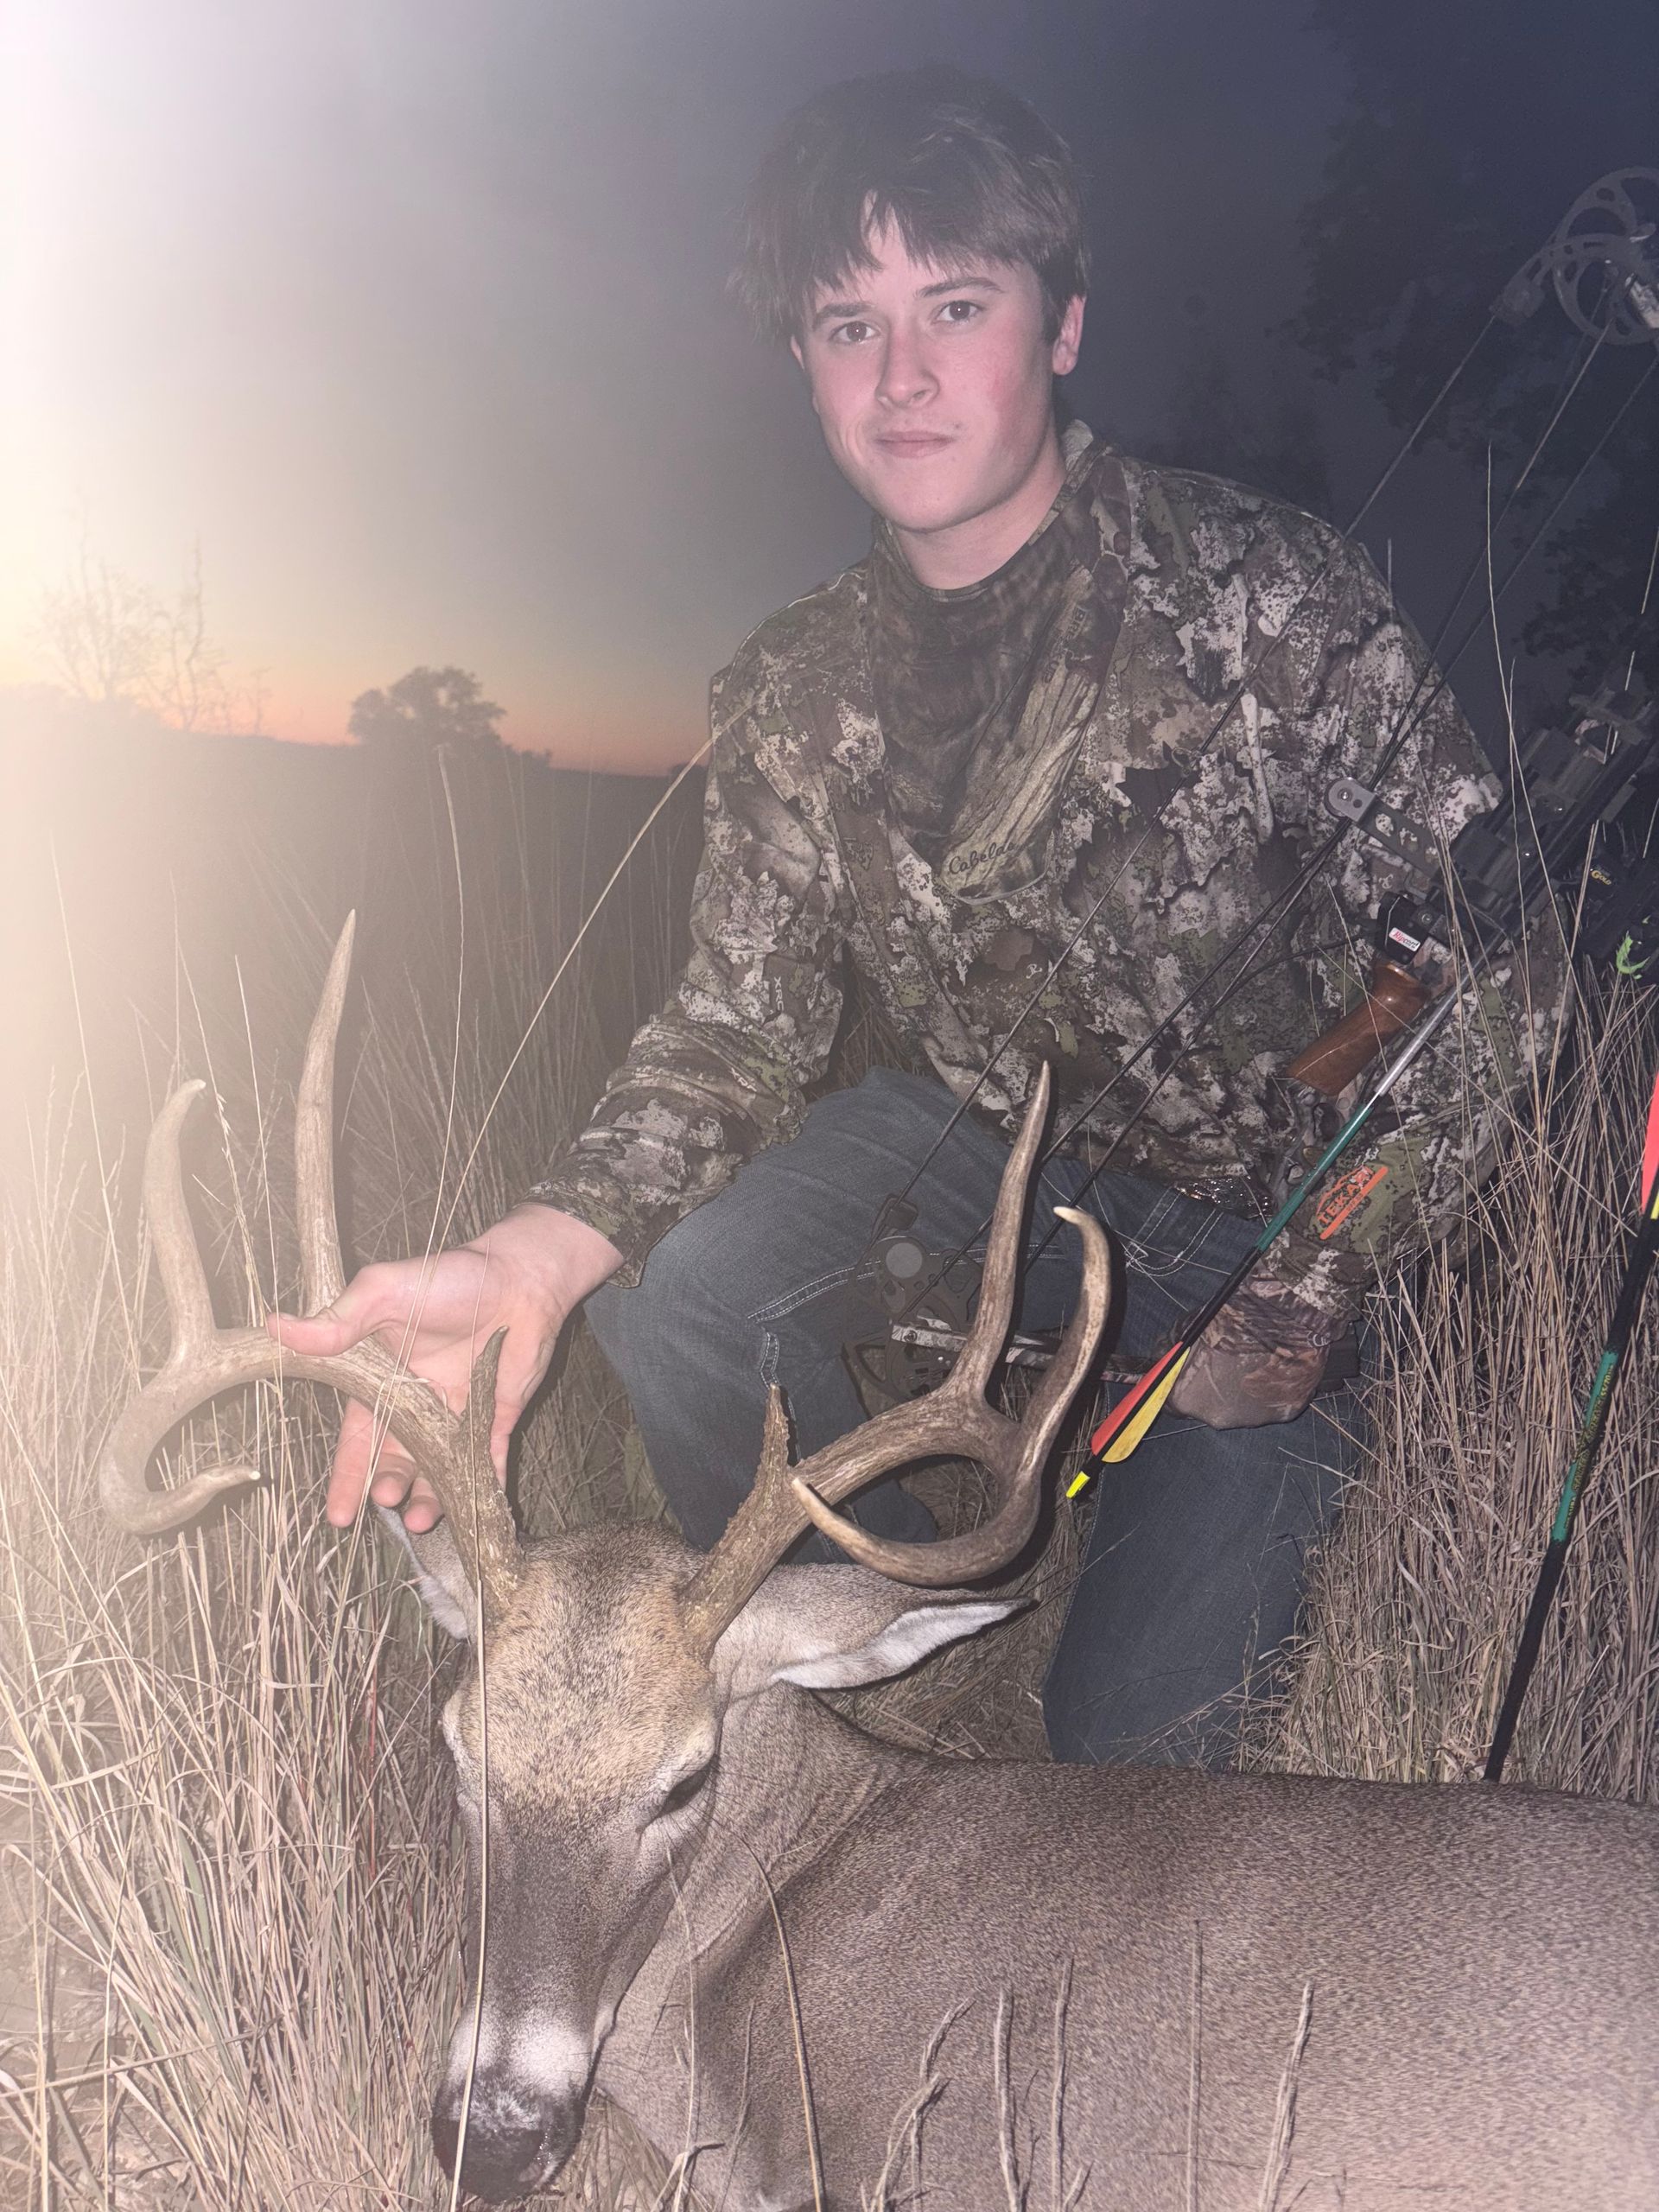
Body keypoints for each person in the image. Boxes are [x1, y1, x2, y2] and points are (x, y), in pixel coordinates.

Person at [273, 66, 1553, 1765]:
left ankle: (1153, 1531)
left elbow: (1486, 965)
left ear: (1064, 325)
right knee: (682, 1293)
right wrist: (532, 1252)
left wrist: (1325, 1275)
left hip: (1267, 1233)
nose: (903, 374)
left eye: (956, 304)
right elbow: (736, 1033)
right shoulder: (802, 689)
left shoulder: (1270, 597)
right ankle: (823, 1659)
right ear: (803, 364)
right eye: (847, 323)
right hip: (985, 1157)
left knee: (1121, 1779)